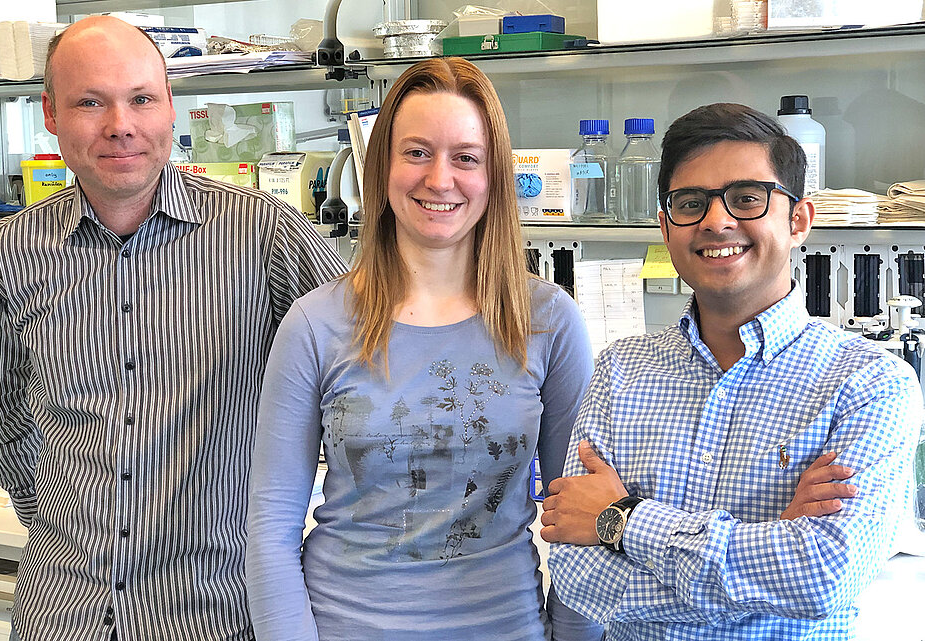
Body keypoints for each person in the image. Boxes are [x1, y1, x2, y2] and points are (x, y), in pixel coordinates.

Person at [0, 16, 347, 641]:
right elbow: (5, 417)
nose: (120, 124)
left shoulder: (264, 234)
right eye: (89, 102)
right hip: (62, 614)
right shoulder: (9, 251)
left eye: (141, 99)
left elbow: (362, 378)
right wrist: (56, 522)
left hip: (221, 612)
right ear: (50, 114)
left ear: (171, 108)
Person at [245, 57, 602, 641]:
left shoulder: (549, 322)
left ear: (495, 176)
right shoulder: (315, 324)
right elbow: (270, 529)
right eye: (416, 152)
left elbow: (576, 521)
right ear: (380, 168)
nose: (440, 179)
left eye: (466, 158)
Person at [541, 102, 923, 640]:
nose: (716, 221)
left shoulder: (868, 384)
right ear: (665, 226)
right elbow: (579, 578)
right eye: (690, 203)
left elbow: (822, 577)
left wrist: (621, 520)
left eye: (746, 199)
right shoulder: (619, 371)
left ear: (798, 220)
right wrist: (770, 553)